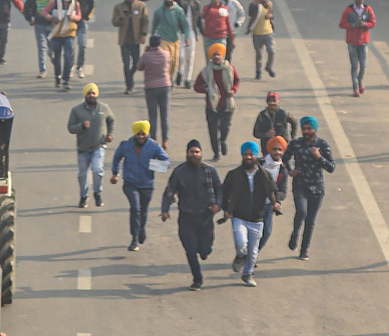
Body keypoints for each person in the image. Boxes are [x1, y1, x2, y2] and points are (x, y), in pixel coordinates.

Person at [160, 139, 222, 289]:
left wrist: (218, 205)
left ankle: (205, 251)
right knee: (190, 249)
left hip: (205, 217)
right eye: (191, 152)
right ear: (187, 153)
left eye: (197, 152)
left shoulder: (209, 171)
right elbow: (169, 192)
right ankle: (197, 279)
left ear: (201, 154)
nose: (194, 154)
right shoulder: (179, 172)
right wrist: (165, 210)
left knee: (205, 249)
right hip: (186, 218)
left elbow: (220, 190)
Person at [221, 141, 280, 286]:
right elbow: (224, 193)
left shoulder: (264, 175)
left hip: (257, 218)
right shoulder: (234, 174)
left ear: (255, 155)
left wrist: (275, 203)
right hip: (239, 216)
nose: (248, 157)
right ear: (242, 155)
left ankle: (248, 274)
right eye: (246, 154)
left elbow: (271, 191)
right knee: (241, 242)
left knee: (253, 251)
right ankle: (240, 256)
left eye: (251, 154)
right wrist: (226, 209)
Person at [111, 119, 170, 250]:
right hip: (130, 183)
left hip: (147, 185)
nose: (141, 137)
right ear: (134, 134)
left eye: (143, 134)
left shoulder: (154, 146)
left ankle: (141, 228)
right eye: (138, 134)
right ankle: (134, 238)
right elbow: (117, 157)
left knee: (143, 211)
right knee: (135, 208)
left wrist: (151, 165)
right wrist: (115, 173)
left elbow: (166, 162)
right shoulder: (126, 145)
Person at [282, 115, 335, 260]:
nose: (306, 131)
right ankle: (295, 233)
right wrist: (289, 170)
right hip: (300, 185)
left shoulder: (322, 145)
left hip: (317, 188)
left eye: (309, 129)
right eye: (304, 128)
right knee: (301, 211)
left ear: (315, 129)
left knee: (310, 220)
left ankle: (305, 248)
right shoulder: (295, 144)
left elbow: (331, 167)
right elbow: (284, 159)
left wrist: (319, 157)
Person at [68, 83, 115, 207]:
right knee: (82, 175)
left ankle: (97, 193)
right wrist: (81, 126)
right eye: (89, 93)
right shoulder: (77, 110)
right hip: (83, 148)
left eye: (93, 93)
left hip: (98, 146)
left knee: (97, 169)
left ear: (97, 94)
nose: (91, 95)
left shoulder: (104, 108)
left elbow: (111, 120)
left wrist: (110, 134)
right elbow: (70, 128)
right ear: (85, 95)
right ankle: (84, 196)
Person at [193, 43, 239, 162]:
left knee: (225, 127)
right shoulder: (206, 71)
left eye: (218, 55)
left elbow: (237, 80)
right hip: (212, 106)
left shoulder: (230, 68)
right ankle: (216, 152)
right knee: (212, 131)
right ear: (211, 58)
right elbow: (196, 86)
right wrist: (207, 89)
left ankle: (223, 140)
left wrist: (233, 90)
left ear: (222, 56)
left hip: (226, 104)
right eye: (214, 55)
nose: (217, 57)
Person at [42, 0, 82, 90]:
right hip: (57, 33)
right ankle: (57, 77)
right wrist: (51, 18)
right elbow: (44, 11)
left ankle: (66, 80)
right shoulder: (55, 2)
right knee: (57, 57)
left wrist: (73, 18)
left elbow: (79, 16)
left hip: (69, 33)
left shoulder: (75, 3)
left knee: (68, 56)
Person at [135, 36, 173, 147]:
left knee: (153, 116)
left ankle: (153, 139)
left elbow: (139, 67)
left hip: (151, 87)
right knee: (164, 115)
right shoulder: (166, 54)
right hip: (165, 86)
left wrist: (146, 53)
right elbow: (170, 63)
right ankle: (165, 139)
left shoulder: (146, 56)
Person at [112, 0, 149, 95]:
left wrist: (143, 34)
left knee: (137, 63)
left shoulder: (140, 6)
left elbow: (145, 21)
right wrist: (122, 19)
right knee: (126, 63)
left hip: (135, 39)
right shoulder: (119, 7)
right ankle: (129, 85)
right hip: (124, 40)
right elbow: (114, 22)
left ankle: (130, 75)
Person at [339, 0, 375, 96]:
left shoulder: (368, 10)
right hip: (352, 42)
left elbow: (373, 22)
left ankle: (360, 81)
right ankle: (355, 87)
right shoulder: (348, 10)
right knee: (354, 66)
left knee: (363, 65)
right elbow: (342, 24)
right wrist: (353, 25)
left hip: (363, 42)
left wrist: (365, 24)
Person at [150, 0, 189, 82]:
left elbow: (185, 25)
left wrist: (186, 37)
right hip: (163, 39)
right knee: (164, 61)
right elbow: (154, 26)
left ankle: (169, 79)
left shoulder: (179, 11)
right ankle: (164, 80)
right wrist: (152, 38)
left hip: (175, 40)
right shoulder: (159, 11)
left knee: (174, 62)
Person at [23, 0, 57, 79]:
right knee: (41, 47)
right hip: (39, 24)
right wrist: (29, 19)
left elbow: (59, 7)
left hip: (51, 25)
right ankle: (42, 70)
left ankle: (53, 57)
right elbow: (26, 7)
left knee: (52, 47)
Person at [257, 134, 288, 251]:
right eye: (274, 149)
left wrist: (276, 199)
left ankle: (252, 255)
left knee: (267, 231)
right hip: (254, 202)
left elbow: (283, 192)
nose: (277, 152)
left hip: (269, 205)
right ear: (269, 149)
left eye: (280, 149)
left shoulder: (282, 170)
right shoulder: (259, 163)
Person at [175, 0, 203, 88]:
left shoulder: (195, 3)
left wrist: (203, 31)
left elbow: (199, 19)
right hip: (180, 32)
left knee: (190, 56)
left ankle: (187, 79)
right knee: (180, 56)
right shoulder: (177, 1)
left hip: (191, 32)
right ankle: (179, 72)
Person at [68, 0, 95, 79]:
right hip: (70, 23)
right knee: (70, 46)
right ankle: (70, 67)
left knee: (82, 45)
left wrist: (87, 17)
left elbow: (92, 5)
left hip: (82, 23)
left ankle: (79, 67)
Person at [245, 0, 275, 80]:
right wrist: (256, 4)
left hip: (268, 32)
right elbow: (250, 14)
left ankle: (268, 66)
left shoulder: (269, 3)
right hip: (257, 33)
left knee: (271, 50)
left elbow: (271, 14)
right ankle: (258, 71)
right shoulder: (254, 4)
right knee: (259, 54)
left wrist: (270, 16)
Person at [200, 0, 233, 69]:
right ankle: (209, 80)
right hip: (209, 38)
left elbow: (228, 23)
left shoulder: (224, 9)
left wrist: (232, 38)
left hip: (221, 38)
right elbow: (203, 17)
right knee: (209, 62)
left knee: (220, 61)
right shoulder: (206, 8)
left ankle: (220, 80)